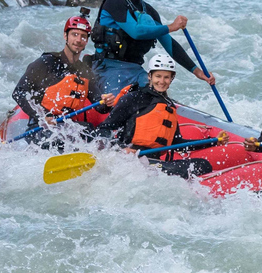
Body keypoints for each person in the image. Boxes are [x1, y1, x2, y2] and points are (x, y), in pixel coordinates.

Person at [91, 0, 216, 94]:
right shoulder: (115, 1)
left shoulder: (149, 12)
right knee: (121, 103)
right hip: (107, 68)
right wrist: (171, 27)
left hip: (135, 69)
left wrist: (197, 71)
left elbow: (170, 45)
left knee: (157, 97)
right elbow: (136, 32)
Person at [96, 54, 229, 179]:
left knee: (201, 165)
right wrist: (121, 148)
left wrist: (213, 141)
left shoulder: (169, 107)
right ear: (150, 76)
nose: (162, 81)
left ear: (172, 78)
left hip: (154, 162)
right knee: (201, 165)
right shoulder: (133, 98)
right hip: (131, 160)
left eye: (166, 77)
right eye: (158, 76)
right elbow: (104, 128)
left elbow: (176, 143)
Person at [12, 12, 115, 145]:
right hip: (42, 127)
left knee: (105, 136)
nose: (78, 40)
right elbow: (19, 92)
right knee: (59, 139)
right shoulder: (46, 62)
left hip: (70, 127)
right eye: (74, 34)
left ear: (86, 41)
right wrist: (42, 116)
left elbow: (99, 105)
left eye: (83, 36)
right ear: (65, 36)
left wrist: (106, 102)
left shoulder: (85, 72)